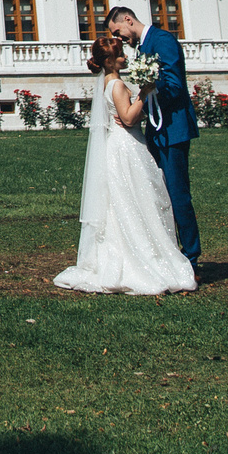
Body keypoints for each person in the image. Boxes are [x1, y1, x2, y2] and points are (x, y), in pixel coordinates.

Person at [52, 33, 197, 296]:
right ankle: (140, 257)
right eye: (120, 55)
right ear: (109, 61)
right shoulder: (116, 85)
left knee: (132, 200)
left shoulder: (112, 82)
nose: (125, 57)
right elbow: (129, 119)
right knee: (135, 199)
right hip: (126, 146)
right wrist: (145, 92)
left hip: (124, 143)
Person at [106, 5, 200, 267]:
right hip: (157, 130)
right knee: (158, 193)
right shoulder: (144, 47)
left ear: (127, 20)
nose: (120, 39)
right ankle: (168, 252)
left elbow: (173, 85)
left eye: (118, 32)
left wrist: (138, 109)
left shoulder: (162, 40)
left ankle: (191, 257)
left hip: (173, 128)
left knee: (178, 194)